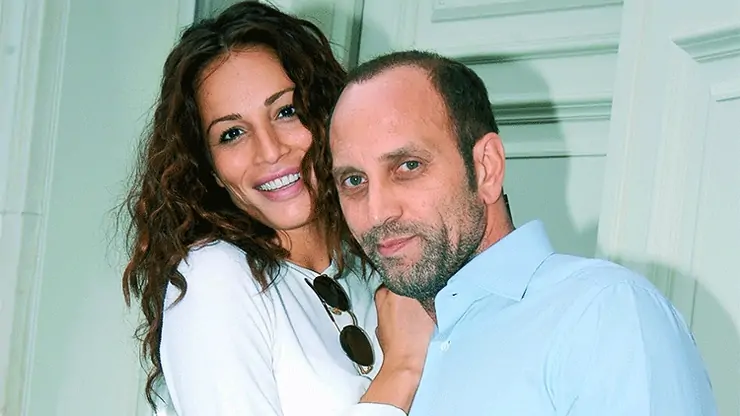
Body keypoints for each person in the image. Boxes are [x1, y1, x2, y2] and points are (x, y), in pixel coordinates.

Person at [328, 50, 718, 415]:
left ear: (487, 168)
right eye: (354, 180)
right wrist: (400, 371)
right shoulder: (374, 338)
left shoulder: (604, 313)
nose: (377, 212)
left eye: (408, 166)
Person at [120, 2, 433, 415]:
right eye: (232, 134)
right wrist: (402, 369)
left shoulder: (371, 270)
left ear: (328, 116)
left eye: (286, 112)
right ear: (210, 168)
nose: (269, 150)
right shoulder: (215, 276)